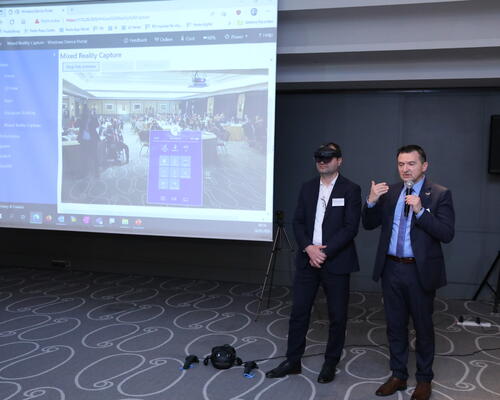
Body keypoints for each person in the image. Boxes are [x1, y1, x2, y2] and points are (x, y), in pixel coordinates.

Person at [362, 145, 455, 400]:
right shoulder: (391, 192)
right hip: (391, 268)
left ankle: (424, 379)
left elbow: (446, 233)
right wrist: (371, 201)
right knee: (395, 326)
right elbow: (368, 224)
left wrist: (421, 212)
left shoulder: (439, 194)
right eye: (401, 164)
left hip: (419, 271)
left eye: (411, 164)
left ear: (424, 166)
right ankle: (398, 375)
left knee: (423, 327)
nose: (405, 169)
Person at [266, 142, 361, 384]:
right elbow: (298, 222)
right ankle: (293, 361)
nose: (322, 161)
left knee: (337, 316)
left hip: (336, 261)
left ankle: (330, 363)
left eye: (328, 157)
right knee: (299, 313)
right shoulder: (307, 187)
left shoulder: (351, 189)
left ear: (339, 161)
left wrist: (324, 252)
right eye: (319, 157)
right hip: (308, 259)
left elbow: (350, 228)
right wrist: (309, 248)